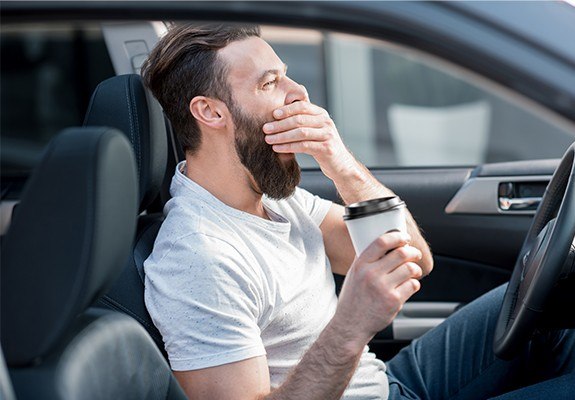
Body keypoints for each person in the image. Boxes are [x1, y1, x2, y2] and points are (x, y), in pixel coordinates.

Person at [142, 24, 574, 399]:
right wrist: (351, 325)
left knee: (555, 303)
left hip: (388, 382)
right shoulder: (197, 258)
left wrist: (340, 163)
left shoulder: (274, 197)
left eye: (287, 76)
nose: (300, 94)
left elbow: (413, 258)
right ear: (210, 111)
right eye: (270, 83)